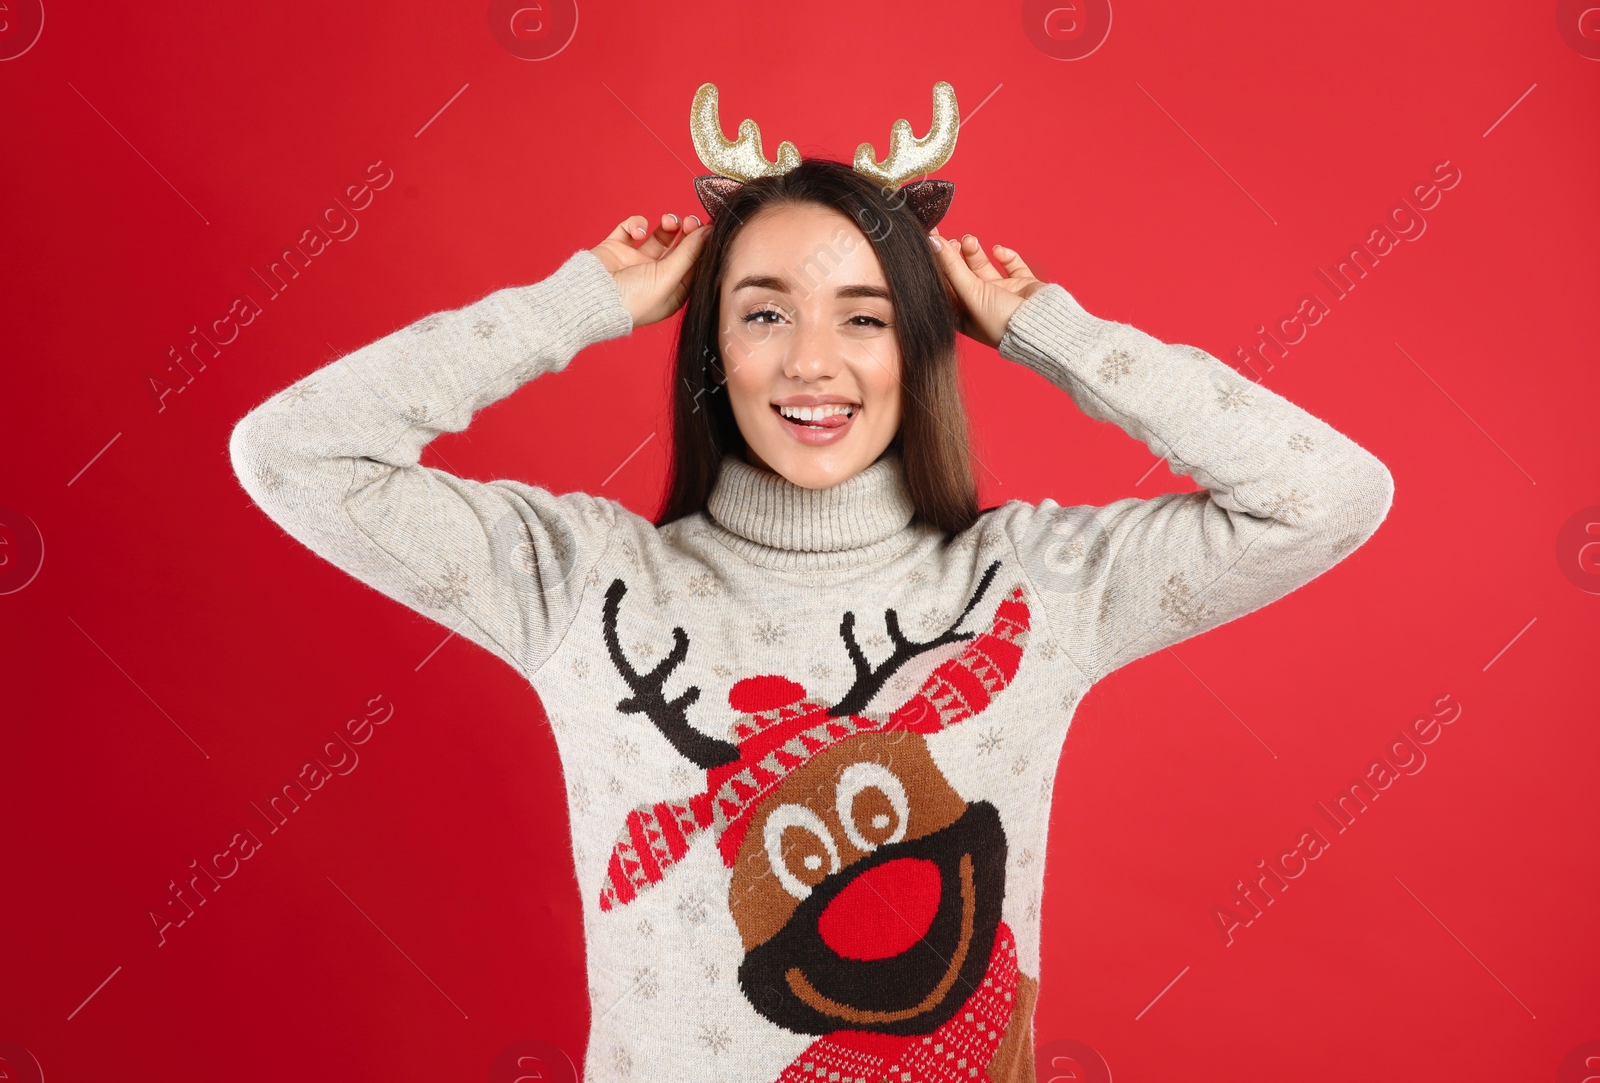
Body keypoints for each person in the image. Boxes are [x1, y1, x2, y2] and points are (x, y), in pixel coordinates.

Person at [229, 86, 1393, 1083]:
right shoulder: (581, 581)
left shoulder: (1036, 584)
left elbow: (1326, 495)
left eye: (868, 317)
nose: (812, 362)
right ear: (708, 346)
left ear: (921, 345)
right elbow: (292, 453)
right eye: (765, 311)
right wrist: (577, 305)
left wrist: (1046, 328)